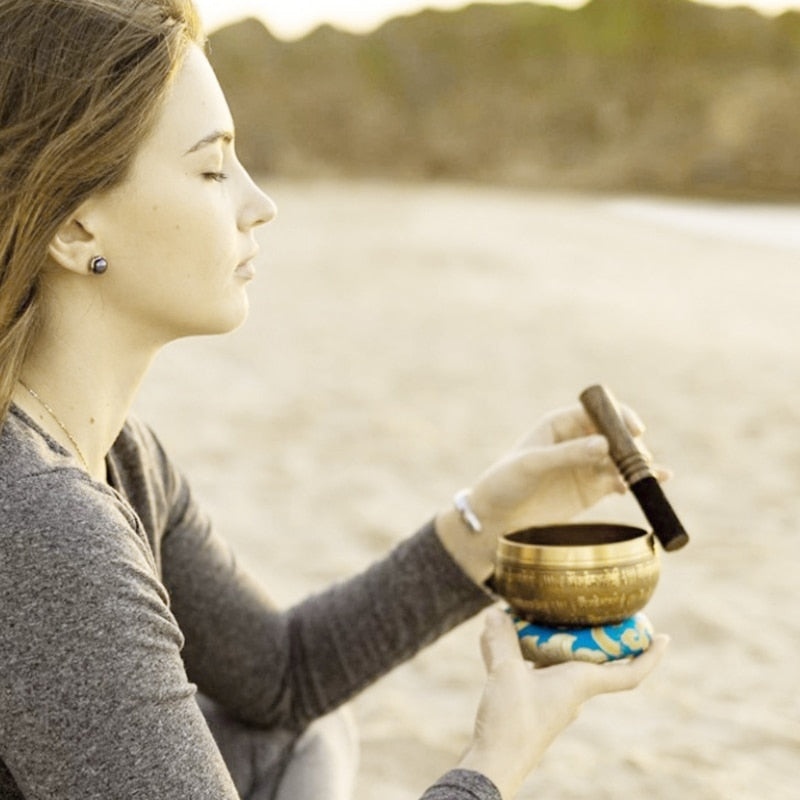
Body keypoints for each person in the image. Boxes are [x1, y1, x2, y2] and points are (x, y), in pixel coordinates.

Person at [0, 1, 668, 798]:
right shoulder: (40, 522)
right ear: (75, 229)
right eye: (213, 168)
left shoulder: (118, 457)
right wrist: (501, 754)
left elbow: (281, 677)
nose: (259, 202)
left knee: (299, 736)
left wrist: (492, 519)